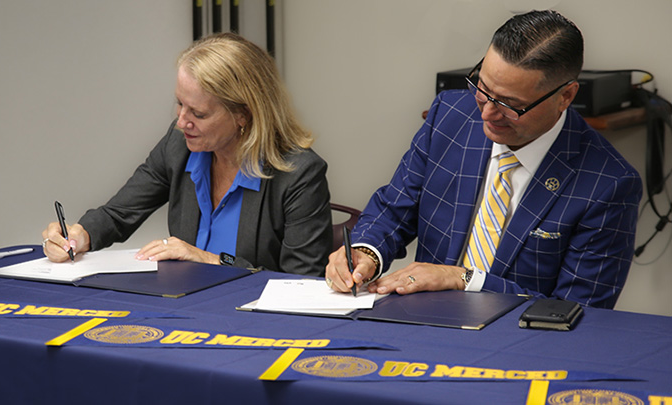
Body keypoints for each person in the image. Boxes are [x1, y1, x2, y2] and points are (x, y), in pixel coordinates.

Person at [326, 10, 641, 309]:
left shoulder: (608, 183)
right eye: (483, 88)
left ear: (566, 96)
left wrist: (463, 279)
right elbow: (395, 208)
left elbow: (576, 309)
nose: (487, 113)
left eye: (510, 104)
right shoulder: (450, 117)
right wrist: (365, 252)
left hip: (521, 349)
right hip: (419, 326)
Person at [42, 33, 332, 276]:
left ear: (244, 114)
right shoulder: (179, 145)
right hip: (184, 312)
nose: (181, 122)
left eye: (199, 113)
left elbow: (301, 282)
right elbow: (119, 213)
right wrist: (79, 235)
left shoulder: (299, 174)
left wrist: (211, 259)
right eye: (180, 104)